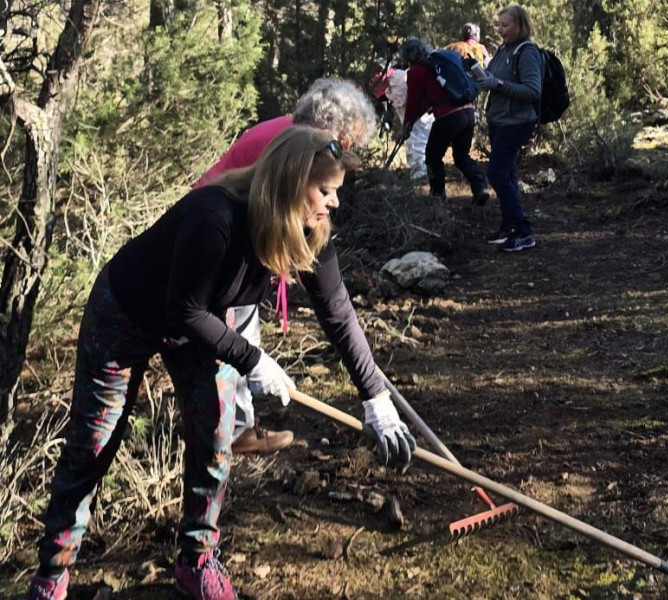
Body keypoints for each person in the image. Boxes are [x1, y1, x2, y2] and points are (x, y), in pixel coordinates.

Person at [25, 126, 416, 600]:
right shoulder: (216, 217)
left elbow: (337, 311)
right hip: (128, 312)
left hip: (202, 321)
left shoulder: (311, 229)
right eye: (326, 191)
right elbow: (183, 311)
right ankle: (52, 575)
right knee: (93, 445)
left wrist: (375, 395)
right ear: (292, 185)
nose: (334, 203)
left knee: (215, 436)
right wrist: (253, 359)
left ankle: (196, 559)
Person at [194, 78, 378, 456]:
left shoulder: (305, 147)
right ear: (329, 133)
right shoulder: (286, 157)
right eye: (349, 144)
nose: (350, 152)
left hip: (244, 237)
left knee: (242, 330)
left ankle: (237, 425)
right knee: (227, 335)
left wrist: (375, 393)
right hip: (211, 241)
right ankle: (225, 432)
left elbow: (331, 297)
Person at [477, 5, 542, 252]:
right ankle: (509, 227)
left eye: (506, 25)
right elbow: (493, 76)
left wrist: (499, 83)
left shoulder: (527, 52)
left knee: (497, 173)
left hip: (516, 122)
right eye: (499, 25)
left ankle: (523, 232)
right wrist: (482, 77)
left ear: (520, 25)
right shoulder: (504, 49)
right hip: (500, 119)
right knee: (508, 173)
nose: (501, 30)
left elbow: (532, 90)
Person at [399, 37, 489, 205]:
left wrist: (407, 126)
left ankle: (437, 198)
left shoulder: (416, 72)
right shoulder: (440, 61)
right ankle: (480, 186)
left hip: (448, 116)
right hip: (468, 111)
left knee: (432, 157)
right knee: (462, 155)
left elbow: (413, 102)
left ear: (407, 57)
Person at [384, 67, 434, 180]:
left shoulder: (399, 82)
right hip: (420, 112)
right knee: (419, 138)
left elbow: (401, 101)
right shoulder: (402, 76)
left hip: (418, 115)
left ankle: (420, 171)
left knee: (417, 139)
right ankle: (422, 169)